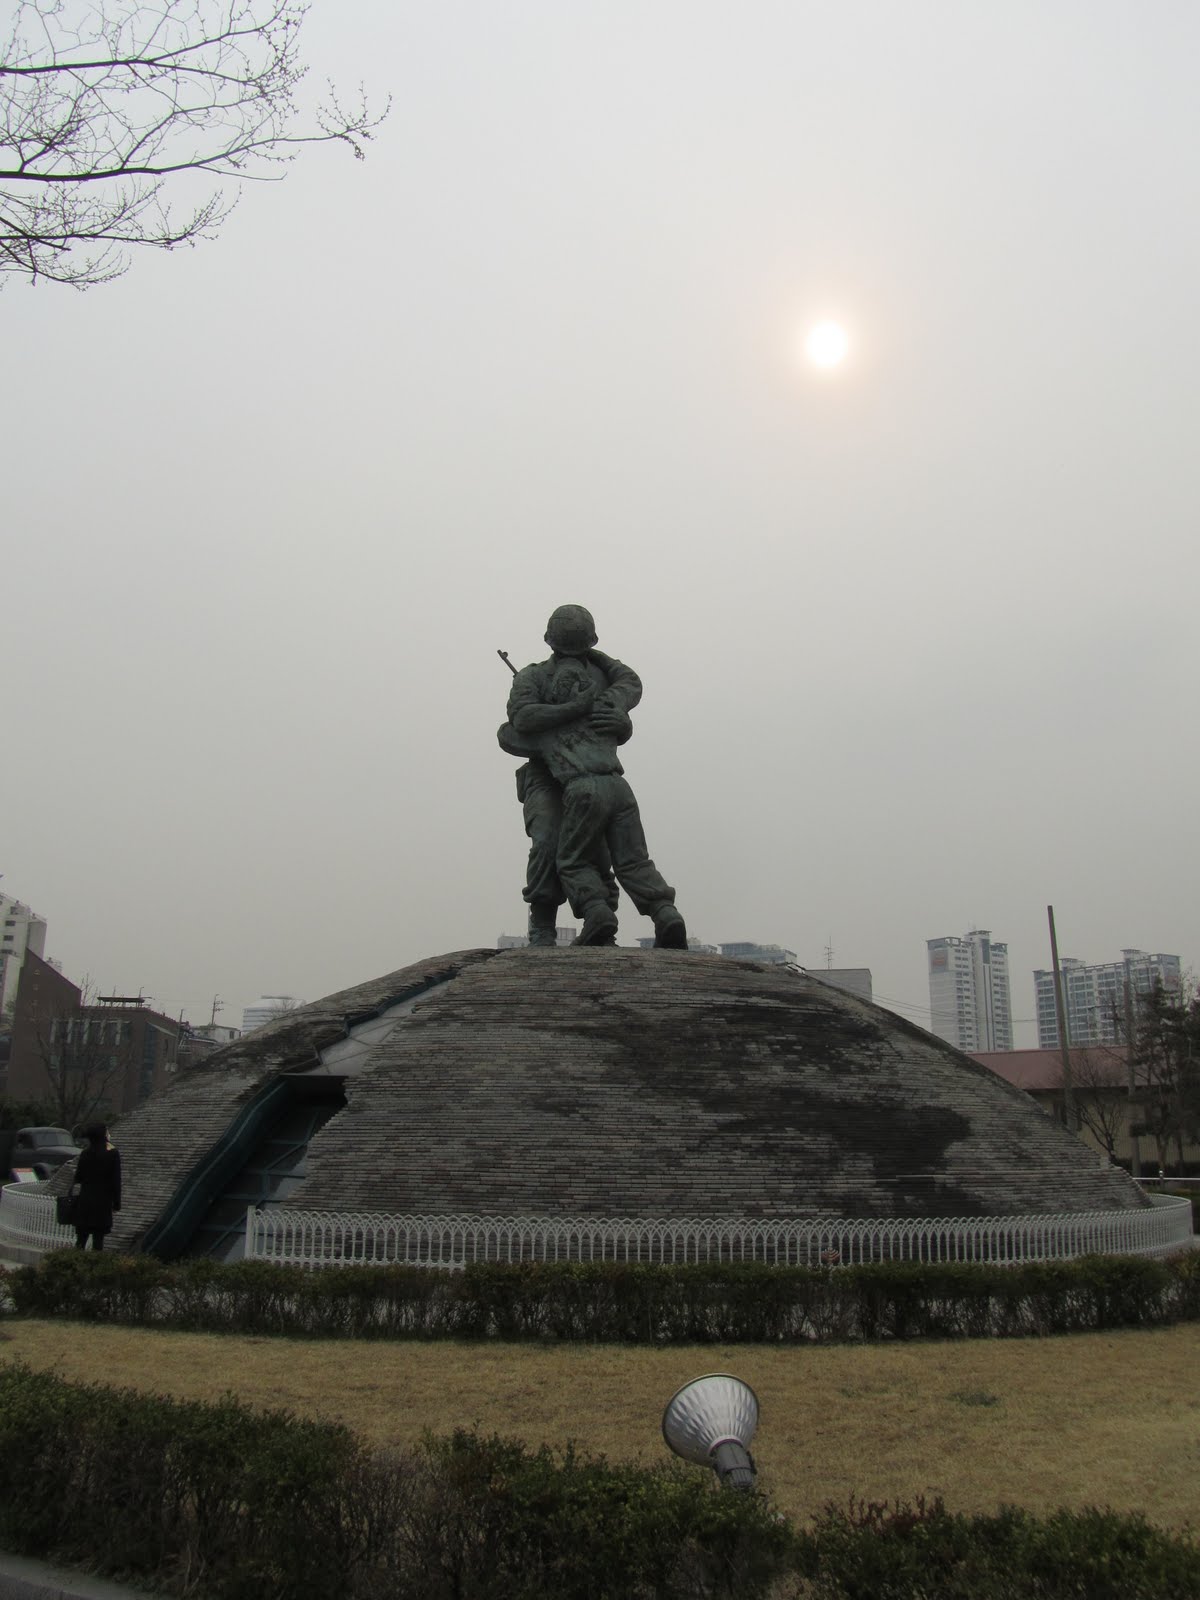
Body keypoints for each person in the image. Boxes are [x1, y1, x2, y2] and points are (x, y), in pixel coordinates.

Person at [498, 605, 686, 948]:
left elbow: (625, 697)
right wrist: (577, 709)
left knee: (593, 852)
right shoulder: (533, 675)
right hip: (548, 775)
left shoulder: (603, 676)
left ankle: (600, 918)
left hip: (584, 780)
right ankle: (544, 926)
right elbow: (520, 721)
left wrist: (621, 723)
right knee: (547, 843)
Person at [72, 1123, 121, 1251]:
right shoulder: (112, 1154)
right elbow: (116, 1180)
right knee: (98, 1240)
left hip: (85, 1201)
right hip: (103, 1202)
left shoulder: (85, 1153)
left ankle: (74, 1264)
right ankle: (94, 1267)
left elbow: (78, 1177)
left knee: (81, 1240)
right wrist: (116, 1203)